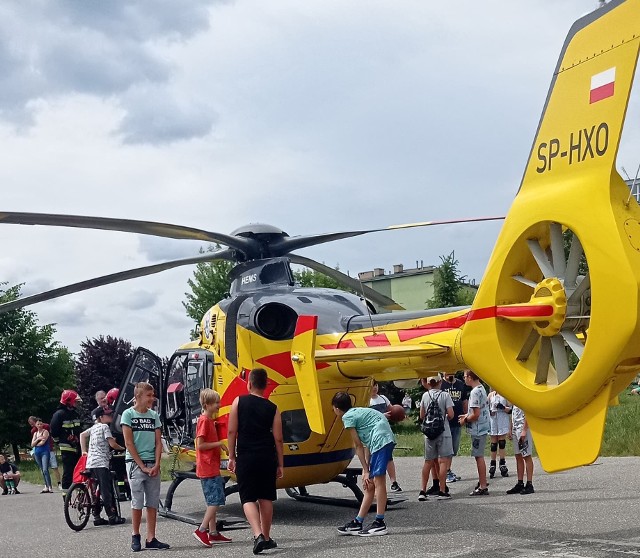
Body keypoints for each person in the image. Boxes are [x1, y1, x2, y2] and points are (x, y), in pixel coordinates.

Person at [228, 368, 283, 554]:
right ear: (266, 385)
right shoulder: (273, 408)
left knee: (248, 497)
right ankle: (266, 538)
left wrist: (231, 456)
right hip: (267, 456)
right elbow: (278, 438)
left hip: (246, 456)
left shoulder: (239, 402)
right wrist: (280, 463)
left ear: (249, 383)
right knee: (266, 497)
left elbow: (231, 432)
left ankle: (258, 534)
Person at [333, 391, 395, 537]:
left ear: (336, 408)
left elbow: (358, 446)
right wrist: (366, 469)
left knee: (379, 482)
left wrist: (366, 470)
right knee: (371, 485)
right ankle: (358, 521)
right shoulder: (358, 411)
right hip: (382, 440)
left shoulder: (347, 417)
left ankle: (380, 523)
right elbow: (367, 444)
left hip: (381, 441)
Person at [121, 382, 169, 551]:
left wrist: (156, 463)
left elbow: (158, 442)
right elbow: (128, 442)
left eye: (152, 395)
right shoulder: (128, 414)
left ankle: (151, 537)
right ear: (138, 396)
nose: (152, 398)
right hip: (135, 464)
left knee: (152, 502)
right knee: (137, 502)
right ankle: (135, 535)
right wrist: (142, 466)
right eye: (148, 395)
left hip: (152, 463)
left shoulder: (153, 416)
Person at [192, 389, 232, 547]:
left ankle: (213, 532)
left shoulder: (208, 421)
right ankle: (202, 529)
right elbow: (200, 445)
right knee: (215, 500)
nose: (219, 405)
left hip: (211, 466)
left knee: (212, 500)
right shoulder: (204, 421)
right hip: (207, 468)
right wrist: (220, 444)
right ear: (207, 405)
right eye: (216, 403)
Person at [86, 405, 126, 526]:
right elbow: (112, 444)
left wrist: (84, 450)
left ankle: (97, 517)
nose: (111, 417)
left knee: (95, 490)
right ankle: (112, 516)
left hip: (90, 462)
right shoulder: (104, 427)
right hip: (101, 463)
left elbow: (82, 435)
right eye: (108, 415)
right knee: (106, 490)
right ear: (101, 417)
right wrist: (124, 448)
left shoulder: (93, 428)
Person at [418, 375, 454, 501]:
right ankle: (442, 491)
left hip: (429, 433)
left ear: (428, 383)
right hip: (443, 431)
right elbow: (451, 414)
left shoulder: (425, 395)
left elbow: (422, 415)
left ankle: (422, 491)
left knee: (428, 461)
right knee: (443, 461)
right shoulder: (445, 395)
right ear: (440, 382)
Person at [458, 370, 490, 496]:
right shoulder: (482, 388)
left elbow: (475, 414)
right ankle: (482, 481)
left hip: (478, 429)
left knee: (479, 456)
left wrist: (465, 420)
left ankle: (483, 485)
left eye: (465, 376)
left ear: (470, 377)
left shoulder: (475, 392)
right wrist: (466, 414)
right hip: (483, 426)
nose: (464, 379)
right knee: (479, 456)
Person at [369, 380, 402, 493]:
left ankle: (394, 482)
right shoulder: (367, 401)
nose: (375, 388)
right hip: (373, 432)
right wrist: (382, 415)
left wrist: (399, 413)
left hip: (385, 431)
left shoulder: (383, 398)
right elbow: (367, 417)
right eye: (372, 386)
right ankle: (373, 481)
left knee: (389, 457)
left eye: (376, 385)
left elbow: (392, 409)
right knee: (373, 457)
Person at [50, 389, 83, 493]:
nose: (77, 404)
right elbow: (54, 432)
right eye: (75, 401)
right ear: (68, 401)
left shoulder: (75, 414)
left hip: (78, 447)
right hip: (66, 448)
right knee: (68, 472)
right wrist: (61, 441)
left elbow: (79, 429)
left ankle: (81, 493)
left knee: (81, 471)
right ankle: (66, 495)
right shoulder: (59, 415)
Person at [440, 372, 469, 483]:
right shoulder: (441, 384)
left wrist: (466, 416)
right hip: (445, 422)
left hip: (457, 420)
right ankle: (445, 472)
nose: (449, 374)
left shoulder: (460, 384)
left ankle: (448, 469)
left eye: (451, 371)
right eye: (447, 372)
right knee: (445, 448)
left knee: (453, 448)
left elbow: (464, 401)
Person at [506, 405, 535, 495]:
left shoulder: (524, 397)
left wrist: (525, 430)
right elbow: (513, 412)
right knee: (518, 456)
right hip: (515, 428)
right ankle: (520, 482)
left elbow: (529, 412)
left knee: (526, 455)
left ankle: (529, 484)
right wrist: (510, 428)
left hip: (522, 427)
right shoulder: (514, 398)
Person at [28, 415, 62, 490]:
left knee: (54, 466)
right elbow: (33, 444)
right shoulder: (33, 431)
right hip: (38, 450)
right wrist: (37, 441)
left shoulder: (46, 426)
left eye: (31, 422)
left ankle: (59, 483)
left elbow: (44, 440)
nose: (31, 424)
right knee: (43, 468)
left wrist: (37, 442)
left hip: (48, 449)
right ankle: (46, 484)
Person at [488, 390, 511, 478]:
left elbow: (510, 409)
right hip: (493, 420)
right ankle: (492, 463)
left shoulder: (505, 394)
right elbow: (486, 407)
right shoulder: (491, 395)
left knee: (501, 442)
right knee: (493, 444)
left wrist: (502, 407)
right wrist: (490, 410)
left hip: (502, 418)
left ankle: (502, 463)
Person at [31, 418, 54, 493]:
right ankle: (46, 486)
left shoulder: (45, 432)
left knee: (45, 469)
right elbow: (32, 444)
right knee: (42, 470)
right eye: (38, 424)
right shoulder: (35, 433)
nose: (40, 425)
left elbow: (42, 443)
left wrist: (36, 442)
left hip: (45, 452)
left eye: (41, 424)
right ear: (36, 425)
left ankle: (50, 486)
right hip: (37, 453)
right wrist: (38, 439)